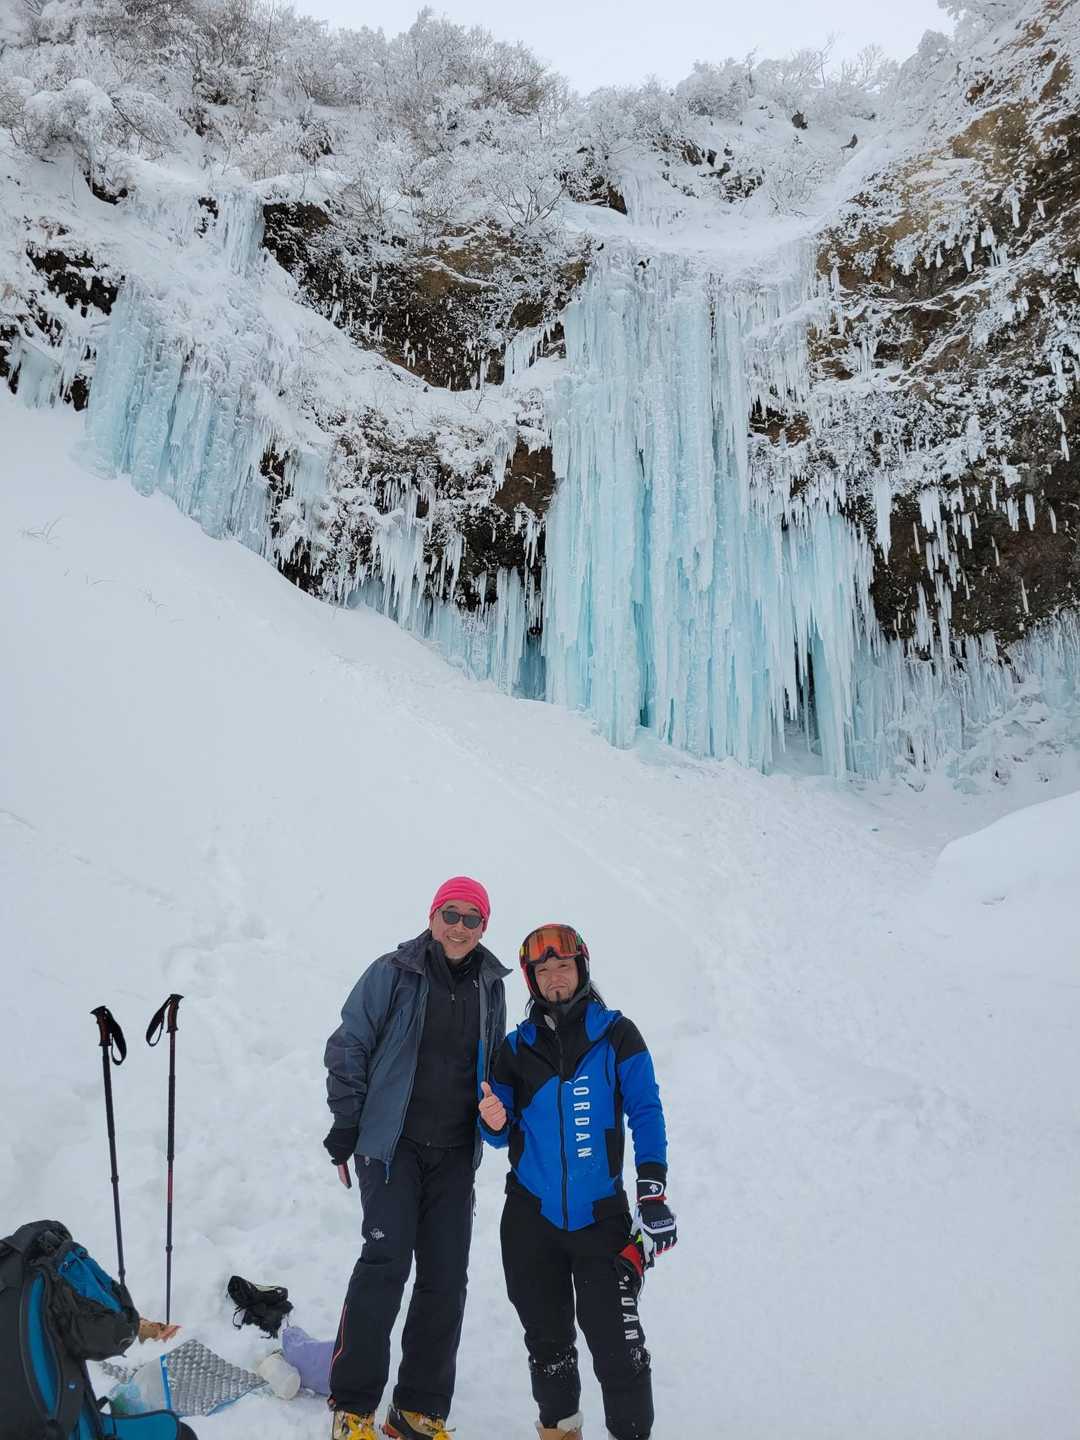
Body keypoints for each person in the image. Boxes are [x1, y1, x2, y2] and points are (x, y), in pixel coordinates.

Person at [323, 877, 509, 1440]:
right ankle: (353, 1407)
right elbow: (349, 1044)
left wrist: (496, 1117)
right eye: (450, 914)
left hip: (454, 1154)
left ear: (483, 927)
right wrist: (347, 1123)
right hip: (392, 1147)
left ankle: (417, 1411)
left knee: (445, 1278)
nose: (459, 927)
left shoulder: (491, 986)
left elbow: (494, 1067)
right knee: (384, 1266)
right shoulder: (393, 971)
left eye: (471, 918)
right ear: (432, 917)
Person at [478, 924, 676, 1440]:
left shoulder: (617, 1035)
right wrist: (492, 1121)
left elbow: (645, 1110)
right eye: (543, 971)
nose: (555, 978)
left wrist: (652, 1190)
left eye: (563, 966)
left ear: (582, 969)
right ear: (532, 981)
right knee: (549, 1346)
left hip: (600, 1219)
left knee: (618, 1349)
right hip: (531, 1220)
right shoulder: (515, 1048)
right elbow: (497, 1129)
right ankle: (560, 1431)